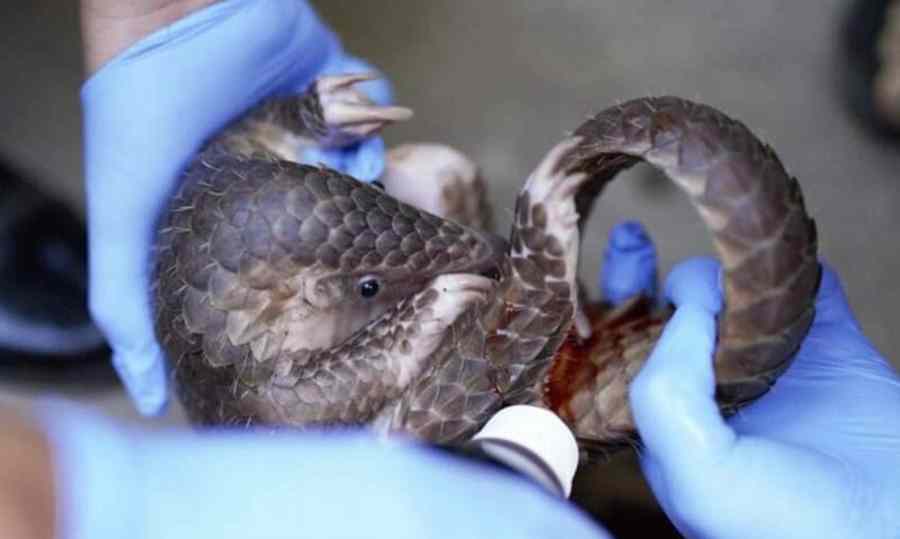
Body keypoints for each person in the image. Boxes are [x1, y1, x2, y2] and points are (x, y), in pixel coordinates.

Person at [2, 1, 887, 538]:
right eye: (360, 285)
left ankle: (551, 371)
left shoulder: (243, 193)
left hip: (364, 310)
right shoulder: (282, 389)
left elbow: (261, 159)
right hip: (363, 411)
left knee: (433, 184)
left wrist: (172, 21)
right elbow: (320, 392)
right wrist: (409, 336)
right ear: (301, 295)